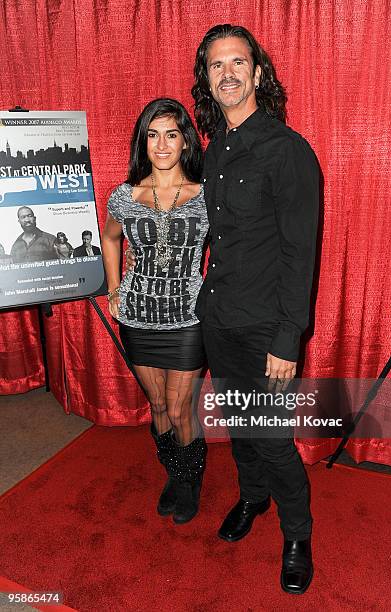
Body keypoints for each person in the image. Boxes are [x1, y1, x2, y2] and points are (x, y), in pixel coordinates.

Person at [192, 25, 319, 595]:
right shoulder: (215, 149)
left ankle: (297, 536)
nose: (228, 74)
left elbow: (300, 253)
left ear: (257, 74)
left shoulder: (288, 151)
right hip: (220, 319)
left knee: (270, 437)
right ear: (208, 80)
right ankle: (252, 499)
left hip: (268, 327)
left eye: (237, 62)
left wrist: (288, 337)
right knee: (240, 430)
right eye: (216, 66)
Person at [102, 98, 209, 525]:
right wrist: (114, 289)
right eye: (153, 134)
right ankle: (173, 473)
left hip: (187, 319)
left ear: (185, 141)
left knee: (181, 409)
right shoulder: (125, 196)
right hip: (138, 318)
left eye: (171, 134)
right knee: (159, 408)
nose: (162, 144)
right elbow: (110, 239)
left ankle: (189, 481)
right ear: (142, 142)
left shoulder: (207, 195)